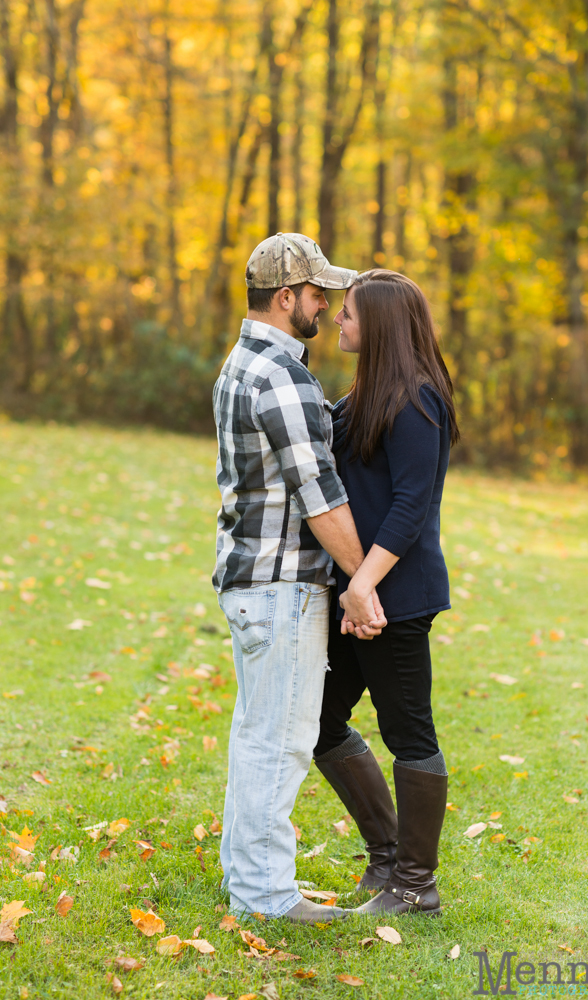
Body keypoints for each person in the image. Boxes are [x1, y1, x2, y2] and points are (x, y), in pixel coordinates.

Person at [212, 233, 387, 924]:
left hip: (251, 580)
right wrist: (360, 581)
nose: (327, 304)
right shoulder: (282, 377)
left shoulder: (241, 363)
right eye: (318, 293)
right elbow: (320, 494)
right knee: (279, 742)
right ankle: (264, 896)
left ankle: (244, 880)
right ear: (286, 298)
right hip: (279, 585)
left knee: (258, 732)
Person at [313, 269, 460, 916]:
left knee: (409, 733)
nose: (337, 322)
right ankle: (386, 857)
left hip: (396, 600)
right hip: (359, 594)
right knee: (317, 720)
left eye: (347, 313)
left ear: (379, 325)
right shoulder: (359, 400)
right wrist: (351, 588)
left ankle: (414, 884)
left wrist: (363, 586)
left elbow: (409, 507)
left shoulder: (419, 402)